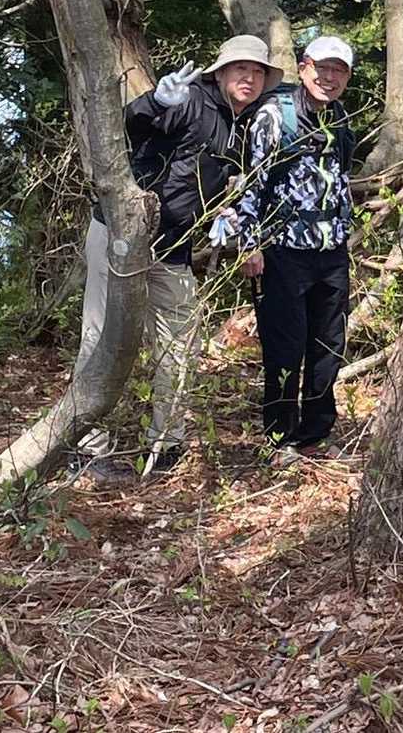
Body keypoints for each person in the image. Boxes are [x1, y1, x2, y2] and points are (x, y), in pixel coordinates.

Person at [79, 34, 282, 476]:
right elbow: (127, 129)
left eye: (257, 72)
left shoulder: (242, 125)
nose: (249, 78)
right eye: (241, 69)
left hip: (175, 246)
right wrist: (154, 102)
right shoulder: (189, 99)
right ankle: (87, 448)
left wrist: (224, 210)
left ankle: (166, 445)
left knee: (181, 342)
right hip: (123, 233)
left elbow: (213, 181)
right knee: (101, 336)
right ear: (220, 73)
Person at [234, 36, 358, 459]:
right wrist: (249, 244)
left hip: (332, 252)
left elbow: (340, 179)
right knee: (285, 348)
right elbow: (252, 183)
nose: (329, 78)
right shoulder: (275, 116)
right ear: (304, 68)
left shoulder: (339, 116)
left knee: (328, 347)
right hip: (283, 251)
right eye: (322, 68)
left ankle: (315, 434)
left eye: (339, 70)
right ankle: (279, 438)